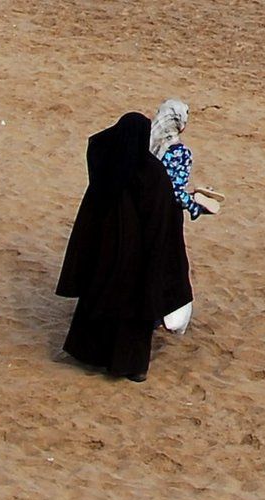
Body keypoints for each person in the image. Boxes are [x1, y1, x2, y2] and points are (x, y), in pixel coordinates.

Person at [56, 112, 193, 382]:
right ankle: (132, 367)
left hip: (104, 258)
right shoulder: (153, 175)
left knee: (99, 304)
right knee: (134, 315)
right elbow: (163, 221)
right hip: (139, 262)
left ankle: (93, 356)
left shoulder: (107, 170)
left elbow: (90, 216)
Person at [149, 98, 221, 218]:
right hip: (160, 216)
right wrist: (194, 206)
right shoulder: (179, 153)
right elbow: (174, 191)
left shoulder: (141, 142)